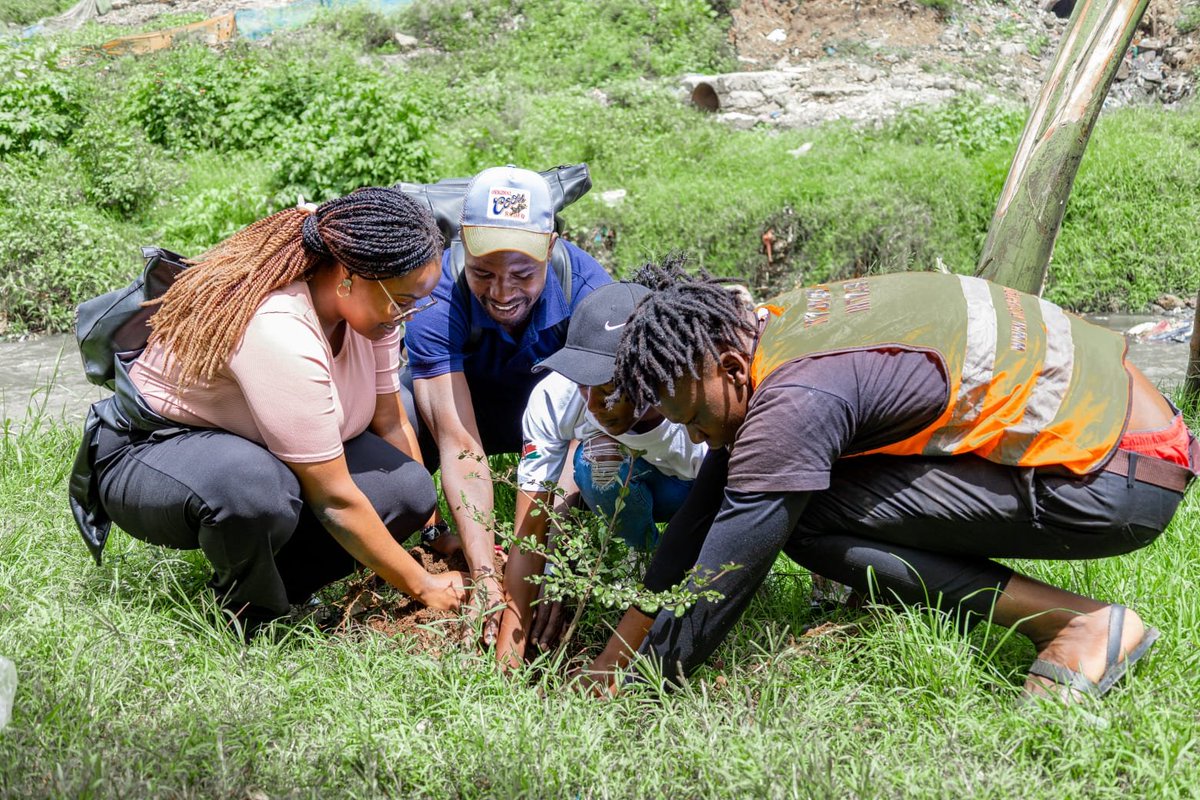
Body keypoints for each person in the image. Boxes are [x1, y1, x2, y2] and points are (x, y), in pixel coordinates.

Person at [585, 259, 1198, 701]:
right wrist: (615, 654)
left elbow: (727, 572)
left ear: (727, 368)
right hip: (1138, 441)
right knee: (787, 483)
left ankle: (1075, 623)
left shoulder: (796, 397)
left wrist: (641, 687)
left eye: (694, 418)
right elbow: (703, 510)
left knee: (801, 519)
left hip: (1114, 480)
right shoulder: (770, 328)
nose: (696, 438)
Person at [74, 188, 466, 631]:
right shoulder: (280, 329)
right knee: (255, 488)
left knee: (407, 488)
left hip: (251, 445)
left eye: (418, 301)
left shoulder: (377, 314)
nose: (408, 314)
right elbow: (335, 499)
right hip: (153, 452)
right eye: (403, 301)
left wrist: (433, 532)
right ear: (349, 276)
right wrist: (424, 587)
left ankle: (282, 586)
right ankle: (249, 618)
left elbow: (391, 421)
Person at [401, 165, 611, 640]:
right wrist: (485, 575)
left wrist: (545, 562)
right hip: (466, 406)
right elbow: (459, 443)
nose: (501, 292)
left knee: (600, 455)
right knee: (405, 412)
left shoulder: (589, 293)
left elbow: (578, 437)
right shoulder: (434, 294)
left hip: (553, 419)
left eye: (522, 274)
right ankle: (427, 530)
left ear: (550, 248)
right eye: (483, 273)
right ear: (463, 247)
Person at [494, 282, 708, 666]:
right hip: (631, 483)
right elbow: (530, 530)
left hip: (695, 496)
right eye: (583, 385)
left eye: (608, 389)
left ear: (650, 377)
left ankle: (657, 581)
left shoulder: (695, 415)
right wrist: (510, 649)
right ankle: (636, 557)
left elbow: (723, 514)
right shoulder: (555, 398)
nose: (592, 405)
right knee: (597, 461)